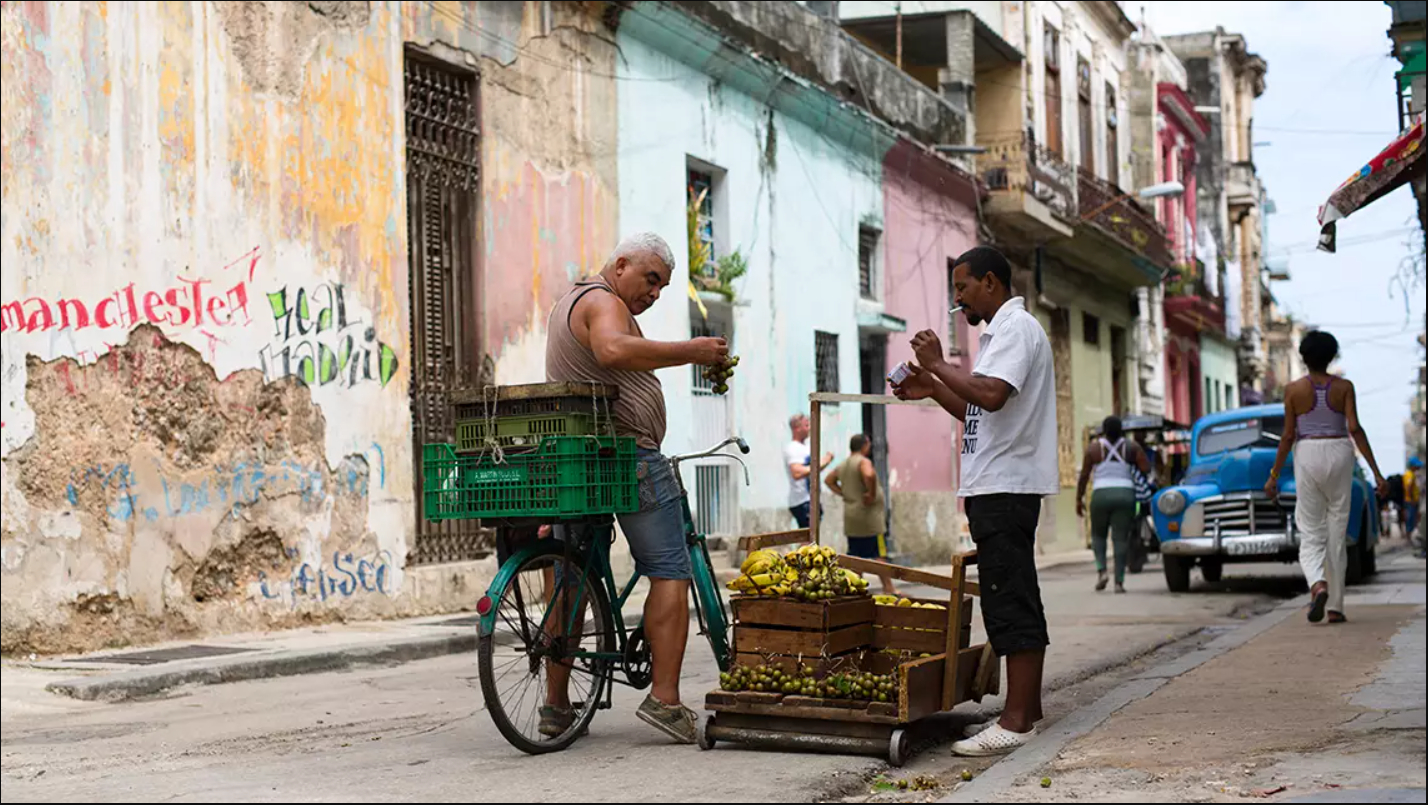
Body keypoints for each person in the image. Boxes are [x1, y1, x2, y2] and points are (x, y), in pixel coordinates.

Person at [543, 232, 729, 743]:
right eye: (651, 279)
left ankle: (555, 706)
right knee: (670, 570)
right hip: (627, 459)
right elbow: (611, 349)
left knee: (569, 580)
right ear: (621, 264)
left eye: (663, 286)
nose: (655, 292)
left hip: (577, 463)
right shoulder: (603, 301)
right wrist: (691, 351)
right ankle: (665, 700)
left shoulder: (569, 301)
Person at [891, 246, 1058, 757]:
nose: (958, 298)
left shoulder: (1016, 329)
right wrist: (931, 386)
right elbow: (977, 411)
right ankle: (1024, 711)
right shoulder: (998, 336)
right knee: (1009, 595)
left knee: (1010, 599)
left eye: (962, 288)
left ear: (990, 282)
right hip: (994, 486)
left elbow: (989, 395)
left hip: (1006, 487)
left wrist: (939, 364)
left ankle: (1016, 722)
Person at [1264, 330, 1388, 625]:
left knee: (1310, 529)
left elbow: (1288, 436)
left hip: (1307, 452)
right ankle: (1336, 607)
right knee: (1337, 530)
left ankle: (1317, 584)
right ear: (1332, 357)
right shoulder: (1344, 387)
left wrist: (1274, 475)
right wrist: (1377, 473)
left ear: (1303, 358)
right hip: (1340, 451)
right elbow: (1354, 428)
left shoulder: (1293, 390)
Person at [1076, 416, 1152, 593]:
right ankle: (1119, 582)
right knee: (1120, 538)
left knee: (1098, 535)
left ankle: (1102, 571)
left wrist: (1079, 499)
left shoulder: (1094, 448)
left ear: (1103, 430)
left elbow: (1084, 476)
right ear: (1122, 430)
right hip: (1125, 494)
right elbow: (1146, 468)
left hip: (1101, 495)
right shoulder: (1131, 447)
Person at [824, 434, 899, 595]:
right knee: (879, 554)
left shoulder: (843, 464)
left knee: (856, 557)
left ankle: (857, 589)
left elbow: (828, 480)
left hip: (852, 518)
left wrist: (843, 493)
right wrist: (870, 493)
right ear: (864, 445)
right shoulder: (863, 462)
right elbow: (869, 474)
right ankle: (888, 587)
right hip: (870, 519)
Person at [785, 413, 834, 529]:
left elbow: (813, 470)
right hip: (802, 501)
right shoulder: (792, 448)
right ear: (797, 428)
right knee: (808, 536)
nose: (809, 428)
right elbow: (797, 473)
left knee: (812, 535)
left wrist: (824, 462)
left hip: (811, 499)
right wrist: (824, 461)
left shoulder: (805, 447)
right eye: (806, 425)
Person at [1405, 456, 1422, 545]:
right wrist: (1411, 499)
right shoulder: (1410, 474)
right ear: (1412, 466)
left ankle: (1410, 537)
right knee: (1411, 519)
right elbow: (1409, 487)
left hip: (1412, 500)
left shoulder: (1411, 474)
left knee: (1413, 519)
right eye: (1416, 466)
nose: (1418, 467)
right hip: (1411, 501)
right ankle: (1409, 538)